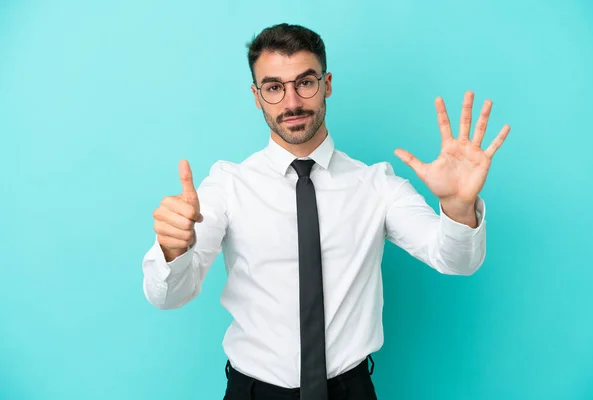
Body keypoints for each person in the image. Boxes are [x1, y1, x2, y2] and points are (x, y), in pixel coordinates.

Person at [141, 23, 510, 400]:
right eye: (273, 87)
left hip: (350, 392)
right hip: (253, 392)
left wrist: (458, 206)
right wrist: (173, 251)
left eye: (305, 82)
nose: (292, 103)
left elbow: (456, 260)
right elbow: (168, 296)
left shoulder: (376, 184)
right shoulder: (227, 186)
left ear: (327, 84)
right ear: (256, 96)